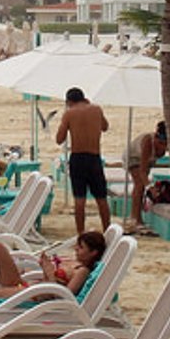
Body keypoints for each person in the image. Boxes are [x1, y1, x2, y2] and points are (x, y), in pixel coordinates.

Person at [56, 87, 111, 233]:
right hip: (94, 157)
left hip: (78, 157)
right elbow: (105, 127)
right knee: (101, 198)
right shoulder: (96, 109)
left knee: (79, 199)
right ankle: (107, 230)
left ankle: (81, 233)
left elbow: (59, 139)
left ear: (69, 101)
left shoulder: (69, 113)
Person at [126, 120, 168, 235]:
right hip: (133, 156)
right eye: (160, 143)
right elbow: (142, 171)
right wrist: (150, 187)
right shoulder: (148, 142)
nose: (163, 147)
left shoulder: (169, 143)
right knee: (139, 184)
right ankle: (135, 219)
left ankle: (136, 217)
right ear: (156, 137)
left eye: (165, 144)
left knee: (141, 186)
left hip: (148, 161)